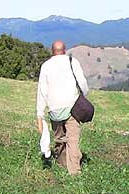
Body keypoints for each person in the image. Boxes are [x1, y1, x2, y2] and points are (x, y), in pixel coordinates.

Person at [36, 40, 89, 174]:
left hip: (54, 109)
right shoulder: (72, 61)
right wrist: (84, 95)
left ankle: (61, 162)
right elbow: (82, 83)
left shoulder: (46, 66)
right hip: (72, 107)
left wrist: (40, 113)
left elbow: (42, 91)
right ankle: (74, 171)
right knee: (73, 140)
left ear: (52, 52)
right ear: (64, 51)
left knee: (60, 138)